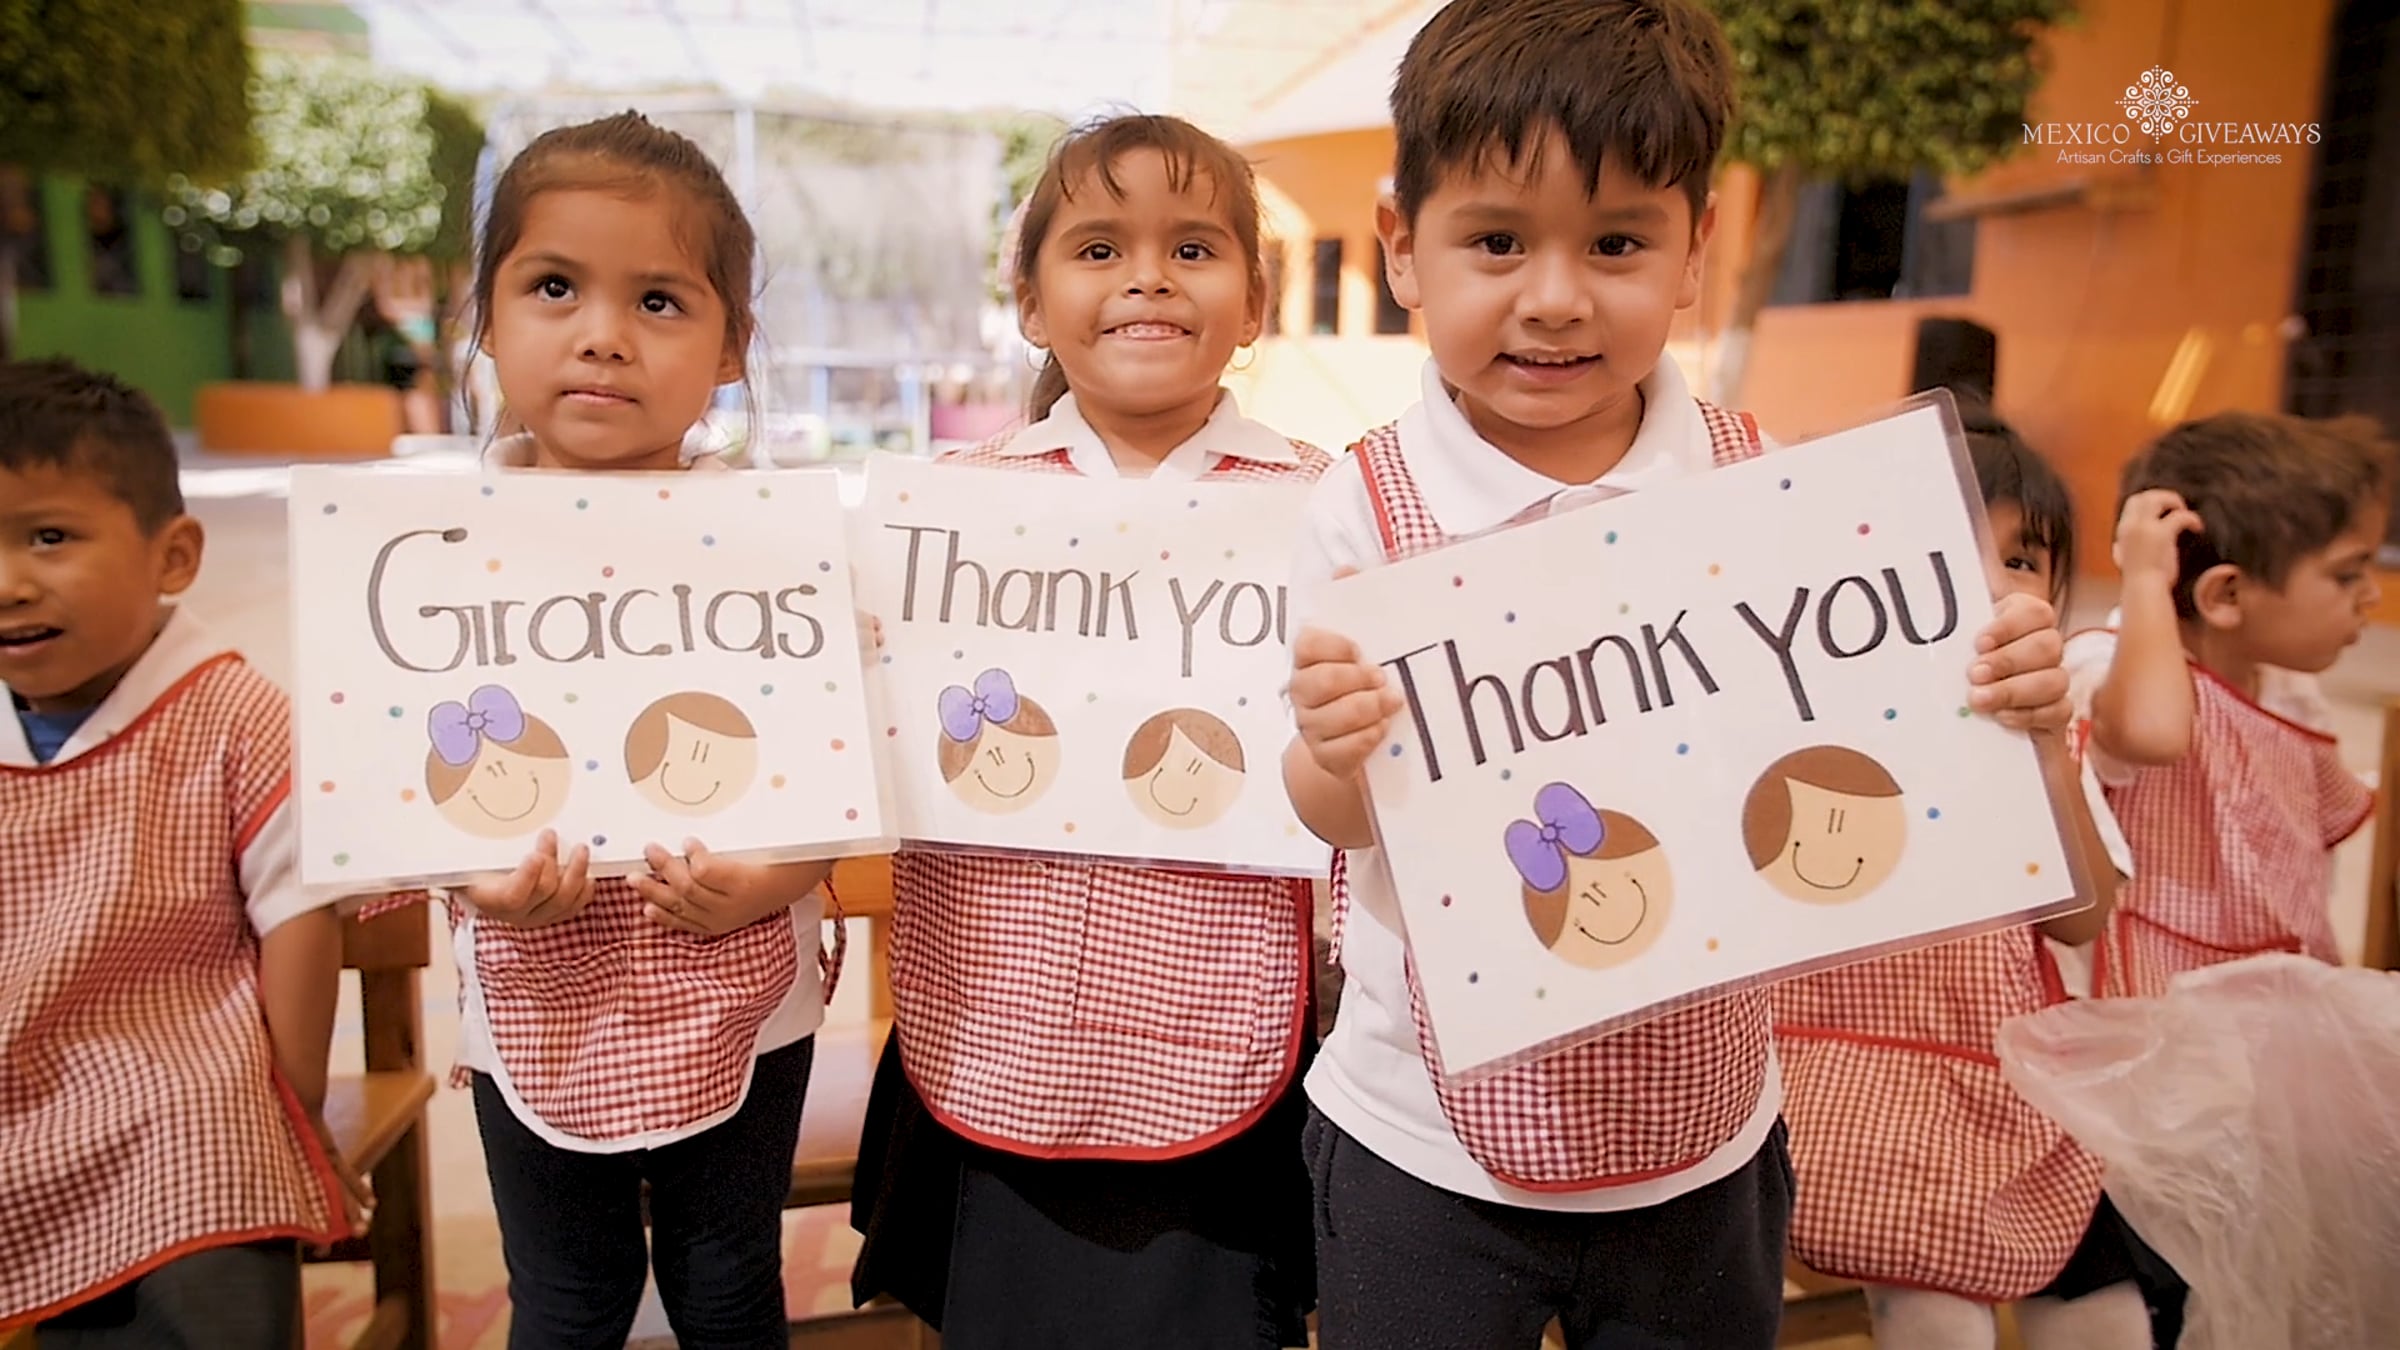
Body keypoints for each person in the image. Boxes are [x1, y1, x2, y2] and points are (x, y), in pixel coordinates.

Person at [1277, 3, 2082, 1345]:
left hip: (1703, 1140)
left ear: (1695, 249)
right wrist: (1334, 752)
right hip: (1422, 1136)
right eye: (1496, 241)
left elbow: (1890, 736)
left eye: (1617, 244)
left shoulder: (1764, 482)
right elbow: (1331, 813)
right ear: (1401, 245)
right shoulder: (1362, 506)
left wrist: (2001, 689)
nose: (1555, 297)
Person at [848, 112, 1329, 1350]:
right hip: (997, 1015)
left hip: (1224, 1021)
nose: (1148, 278)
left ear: (1255, 302)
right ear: (1029, 300)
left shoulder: (1325, 507)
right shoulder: (945, 514)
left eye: (1193, 248)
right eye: (1100, 248)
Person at [400, 111, 841, 1350]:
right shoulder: (432, 553)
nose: (602, 334)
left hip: (743, 993)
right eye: (554, 287)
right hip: (531, 997)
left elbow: (839, 756)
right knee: (565, 1295)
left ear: (731, 345)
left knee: (728, 1286)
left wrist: (779, 875)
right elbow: (402, 768)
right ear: (486, 319)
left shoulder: (779, 543)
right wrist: (474, 879)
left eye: (658, 300)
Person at [1773, 405, 2164, 1349]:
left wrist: (2046, 755)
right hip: (1834, 1093)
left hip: (2001, 1091)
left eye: (2023, 558)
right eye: (1947, 539)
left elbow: (2081, 919)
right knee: (1938, 1316)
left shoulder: (2043, 728)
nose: (1991, 580)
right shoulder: (1803, 721)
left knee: (2113, 1314)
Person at [0, 359, 360, 1345]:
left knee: (217, 1234)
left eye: (49, 537)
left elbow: (299, 918)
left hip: (182, 1091)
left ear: (174, 556)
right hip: (17, 1088)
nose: (10, 583)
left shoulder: (237, 715)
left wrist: (295, 1115)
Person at [2069, 410, 2387, 999]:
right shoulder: (2105, 666)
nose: (2370, 594)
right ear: (2226, 594)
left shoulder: (2290, 689)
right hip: (2155, 1011)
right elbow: (2151, 732)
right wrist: (2144, 580)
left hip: (2278, 999)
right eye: (2347, 575)